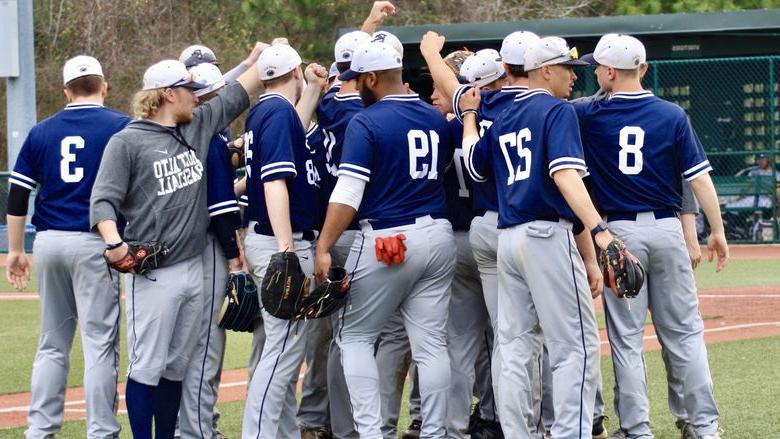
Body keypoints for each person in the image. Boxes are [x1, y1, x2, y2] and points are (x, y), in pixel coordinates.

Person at [90, 52, 263, 438]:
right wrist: (114, 242)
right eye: (188, 89)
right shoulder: (128, 141)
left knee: (176, 366)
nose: (195, 97)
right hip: (153, 272)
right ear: (169, 94)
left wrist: (264, 55)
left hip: (192, 267)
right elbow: (103, 200)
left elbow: (237, 91)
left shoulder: (196, 125)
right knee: (147, 365)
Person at [574, 33, 729, 439]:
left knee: (626, 340)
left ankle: (637, 430)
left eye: (597, 68)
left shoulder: (588, 114)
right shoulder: (672, 114)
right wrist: (716, 230)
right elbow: (700, 181)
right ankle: (704, 426)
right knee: (685, 335)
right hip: (667, 229)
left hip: (617, 235)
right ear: (642, 68)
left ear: (609, 71)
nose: (594, 74)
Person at [459, 36, 607, 438]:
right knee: (574, 346)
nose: (573, 77)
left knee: (514, 347)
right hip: (544, 236)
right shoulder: (557, 111)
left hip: (508, 239)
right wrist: (599, 231)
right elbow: (565, 177)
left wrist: (469, 120)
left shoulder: (504, 114)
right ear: (544, 70)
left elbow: (474, 166)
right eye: (566, 68)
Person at [314, 40, 455, 439]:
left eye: (357, 79)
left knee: (354, 336)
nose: (354, 86)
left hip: (389, 239)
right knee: (430, 345)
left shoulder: (366, 121)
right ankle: (436, 432)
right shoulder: (432, 116)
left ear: (372, 78)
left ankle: (371, 433)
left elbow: (348, 192)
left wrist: (324, 245)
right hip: (438, 234)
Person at [420, 29, 542, 437]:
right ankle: (507, 421)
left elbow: (449, 89)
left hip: (458, 234)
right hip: (501, 228)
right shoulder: (509, 111)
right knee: (512, 338)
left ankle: (450, 428)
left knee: (460, 342)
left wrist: (432, 55)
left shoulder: (441, 127)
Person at [5, 55, 130, 439]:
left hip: (49, 242)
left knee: (52, 344)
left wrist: (14, 250)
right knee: (98, 345)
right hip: (96, 244)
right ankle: (101, 431)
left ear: (65, 91)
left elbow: (17, 194)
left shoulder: (41, 131)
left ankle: (40, 430)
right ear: (103, 85)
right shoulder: (122, 126)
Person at [239, 42, 328, 439]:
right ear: (295, 72)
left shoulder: (270, 111)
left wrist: (311, 91)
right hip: (282, 239)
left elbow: (293, 121)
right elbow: (275, 181)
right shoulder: (276, 114)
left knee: (283, 352)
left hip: (273, 238)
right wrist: (287, 249)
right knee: (280, 354)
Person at [175, 61, 245, 439]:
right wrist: (236, 259)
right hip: (207, 250)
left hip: (169, 253)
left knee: (178, 347)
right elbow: (219, 210)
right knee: (206, 345)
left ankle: (183, 426)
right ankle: (200, 430)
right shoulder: (211, 140)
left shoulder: (166, 135)